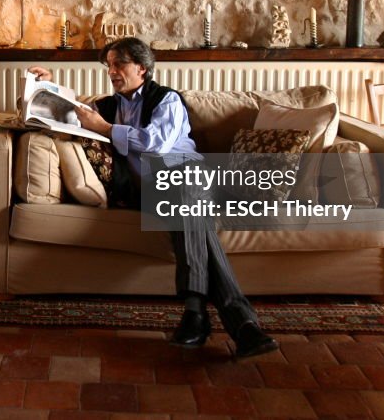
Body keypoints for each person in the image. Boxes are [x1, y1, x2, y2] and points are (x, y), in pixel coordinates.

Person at [28, 37, 278, 358]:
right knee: (190, 212)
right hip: (153, 189)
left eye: (120, 64)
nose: (112, 71)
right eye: (109, 65)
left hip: (191, 178)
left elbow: (156, 144)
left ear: (142, 68)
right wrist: (50, 86)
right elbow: (72, 112)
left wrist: (107, 129)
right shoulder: (110, 105)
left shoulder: (167, 100)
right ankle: (242, 324)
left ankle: (196, 312)